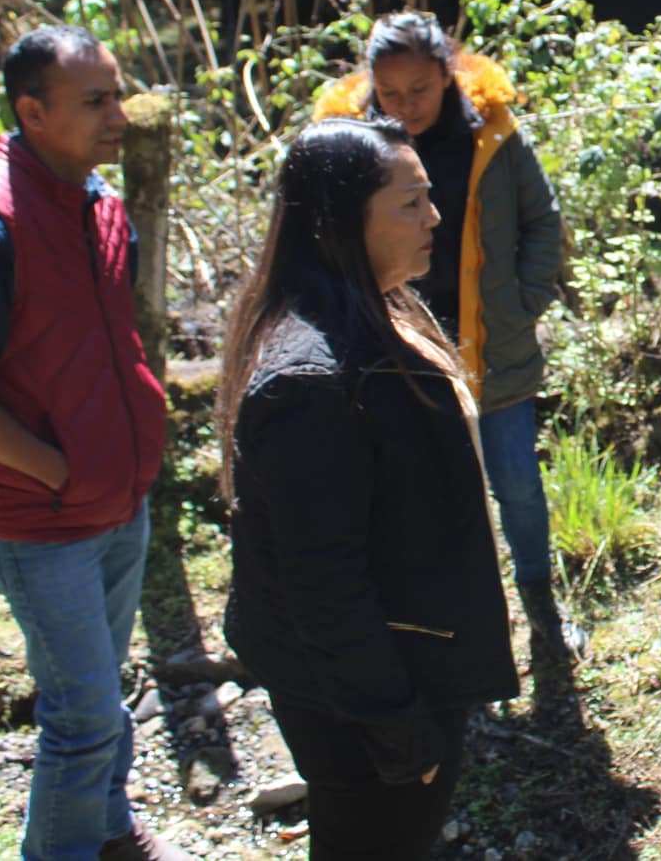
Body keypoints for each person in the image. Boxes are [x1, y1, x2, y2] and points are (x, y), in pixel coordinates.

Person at [0, 25, 191, 861]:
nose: (121, 114)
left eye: (119, 93)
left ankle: (109, 832)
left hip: (119, 499)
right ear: (32, 112)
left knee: (104, 695)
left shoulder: (100, 202)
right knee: (83, 716)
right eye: (97, 101)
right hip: (41, 519)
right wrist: (57, 472)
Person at [219, 118, 518, 860]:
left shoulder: (370, 311)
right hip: (364, 692)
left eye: (430, 198)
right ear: (342, 218)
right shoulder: (310, 380)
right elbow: (323, 579)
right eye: (410, 203)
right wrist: (395, 723)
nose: (436, 217)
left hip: (393, 668)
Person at [312, 14, 577, 658]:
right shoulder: (344, 142)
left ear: (448, 77)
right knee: (418, 492)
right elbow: (317, 235)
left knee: (516, 482)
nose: (405, 107)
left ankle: (541, 603)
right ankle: (447, 630)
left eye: (421, 90)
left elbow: (542, 221)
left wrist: (521, 301)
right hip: (389, 353)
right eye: (390, 93)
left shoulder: (494, 132)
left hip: (493, 346)